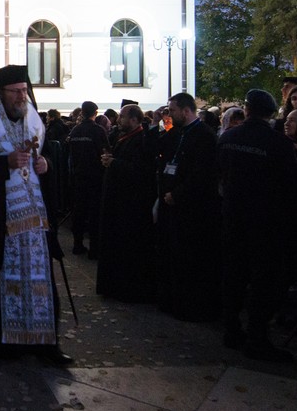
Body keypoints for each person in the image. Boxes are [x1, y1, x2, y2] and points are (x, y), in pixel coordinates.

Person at [0, 65, 72, 366]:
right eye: (16, 92)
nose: (23, 96)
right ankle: (1, 347)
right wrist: (3, 164)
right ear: (2, 93)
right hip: (0, 223)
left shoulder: (35, 123)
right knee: (1, 283)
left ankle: (45, 343)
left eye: (25, 90)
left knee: (41, 281)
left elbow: (47, 157)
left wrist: (46, 164)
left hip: (35, 223)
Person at [217, 88, 297, 362]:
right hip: (265, 221)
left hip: (232, 215)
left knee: (233, 275)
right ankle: (257, 336)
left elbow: (218, 173)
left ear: (248, 109)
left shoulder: (228, 137)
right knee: (263, 280)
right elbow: (290, 184)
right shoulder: (278, 143)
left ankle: (231, 328)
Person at [156, 92, 222, 321]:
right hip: (170, 201)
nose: (169, 115)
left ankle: (190, 305)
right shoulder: (177, 131)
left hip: (191, 207)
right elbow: (159, 144)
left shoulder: (204, 135)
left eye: (172, 111)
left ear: (186, 111)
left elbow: (201, 173)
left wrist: (178, 194)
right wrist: (164, 122)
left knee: (189, 257)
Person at [95, 104, 158, 301]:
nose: (118, 120)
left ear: (133, 119)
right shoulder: (123, 137)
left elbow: (140, 171)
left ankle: (126, 289)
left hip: (129, 205)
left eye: (122, 117)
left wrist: (114, 163)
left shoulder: (142, 140)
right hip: (116, 201)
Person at [66, 99, 107, 256]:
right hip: (95, 177)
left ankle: (77, 244)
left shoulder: (75, 131)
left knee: (79, 212)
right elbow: (104, 151)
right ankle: (94, 248)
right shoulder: (98, 130)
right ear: (95, 113)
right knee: (94, 212)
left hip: (78, 175)